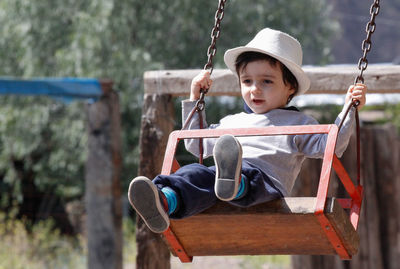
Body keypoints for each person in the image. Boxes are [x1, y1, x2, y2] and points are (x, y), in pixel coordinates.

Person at [128, 28, 367, 233]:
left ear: (290, 87)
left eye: (267, 81)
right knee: (195, 172)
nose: (255, 90)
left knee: (248, 178)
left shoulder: (298, 122)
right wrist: (194, 99)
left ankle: (236, 182)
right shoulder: (231, 122)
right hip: (219, 180)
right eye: (247, 81)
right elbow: (196, 144)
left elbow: (331, 147)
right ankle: (164, 200)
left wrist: (349, 108)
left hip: (266, 183)